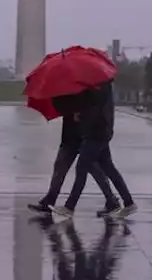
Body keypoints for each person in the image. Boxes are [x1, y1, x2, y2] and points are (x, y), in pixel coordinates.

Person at [51, 81, 136, 220]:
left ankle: (70, 207)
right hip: (100, 132)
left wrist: (81, 115)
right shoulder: (100, 85)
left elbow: (94, 110)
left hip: (95, 134)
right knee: (109, 169)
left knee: (81, 168)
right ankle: (129, 203)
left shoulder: (97, 87)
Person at [27, 98, 118, 217]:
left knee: (96, 172)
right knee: (60, 169)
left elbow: (96, 109)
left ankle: (111, 200)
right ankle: (50, 200)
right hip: (70, 137)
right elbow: (60, 106)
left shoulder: (91, 90)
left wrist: (81, 112)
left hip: (87, 137)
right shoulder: (68, 91)